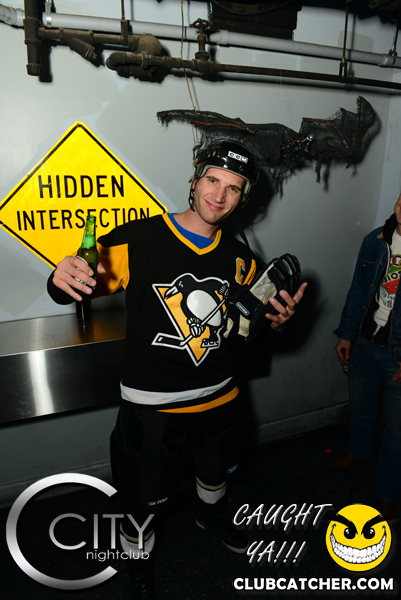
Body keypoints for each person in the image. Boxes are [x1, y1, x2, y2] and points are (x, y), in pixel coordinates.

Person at [47, 140, 307, 599]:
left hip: (222, 401)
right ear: (195, 179)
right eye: (213, 180)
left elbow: (249, 334)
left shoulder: (243, 260)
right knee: (142, 503)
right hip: (153, 412)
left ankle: (210, 516)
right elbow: (77, 284)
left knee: (216, 477)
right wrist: (59, 279)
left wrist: (278, 323)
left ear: (243, 198)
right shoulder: (138, 239)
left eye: (233, 188)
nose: (219, 195)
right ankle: (138, 560)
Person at [332, 192, 401, 519]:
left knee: (397, 431)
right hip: (365, 342)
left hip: (398, 355)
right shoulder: (376, 240)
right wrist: (346, 334)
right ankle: (358, 452)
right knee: (361, 410)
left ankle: (387, 491)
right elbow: (358, 290)